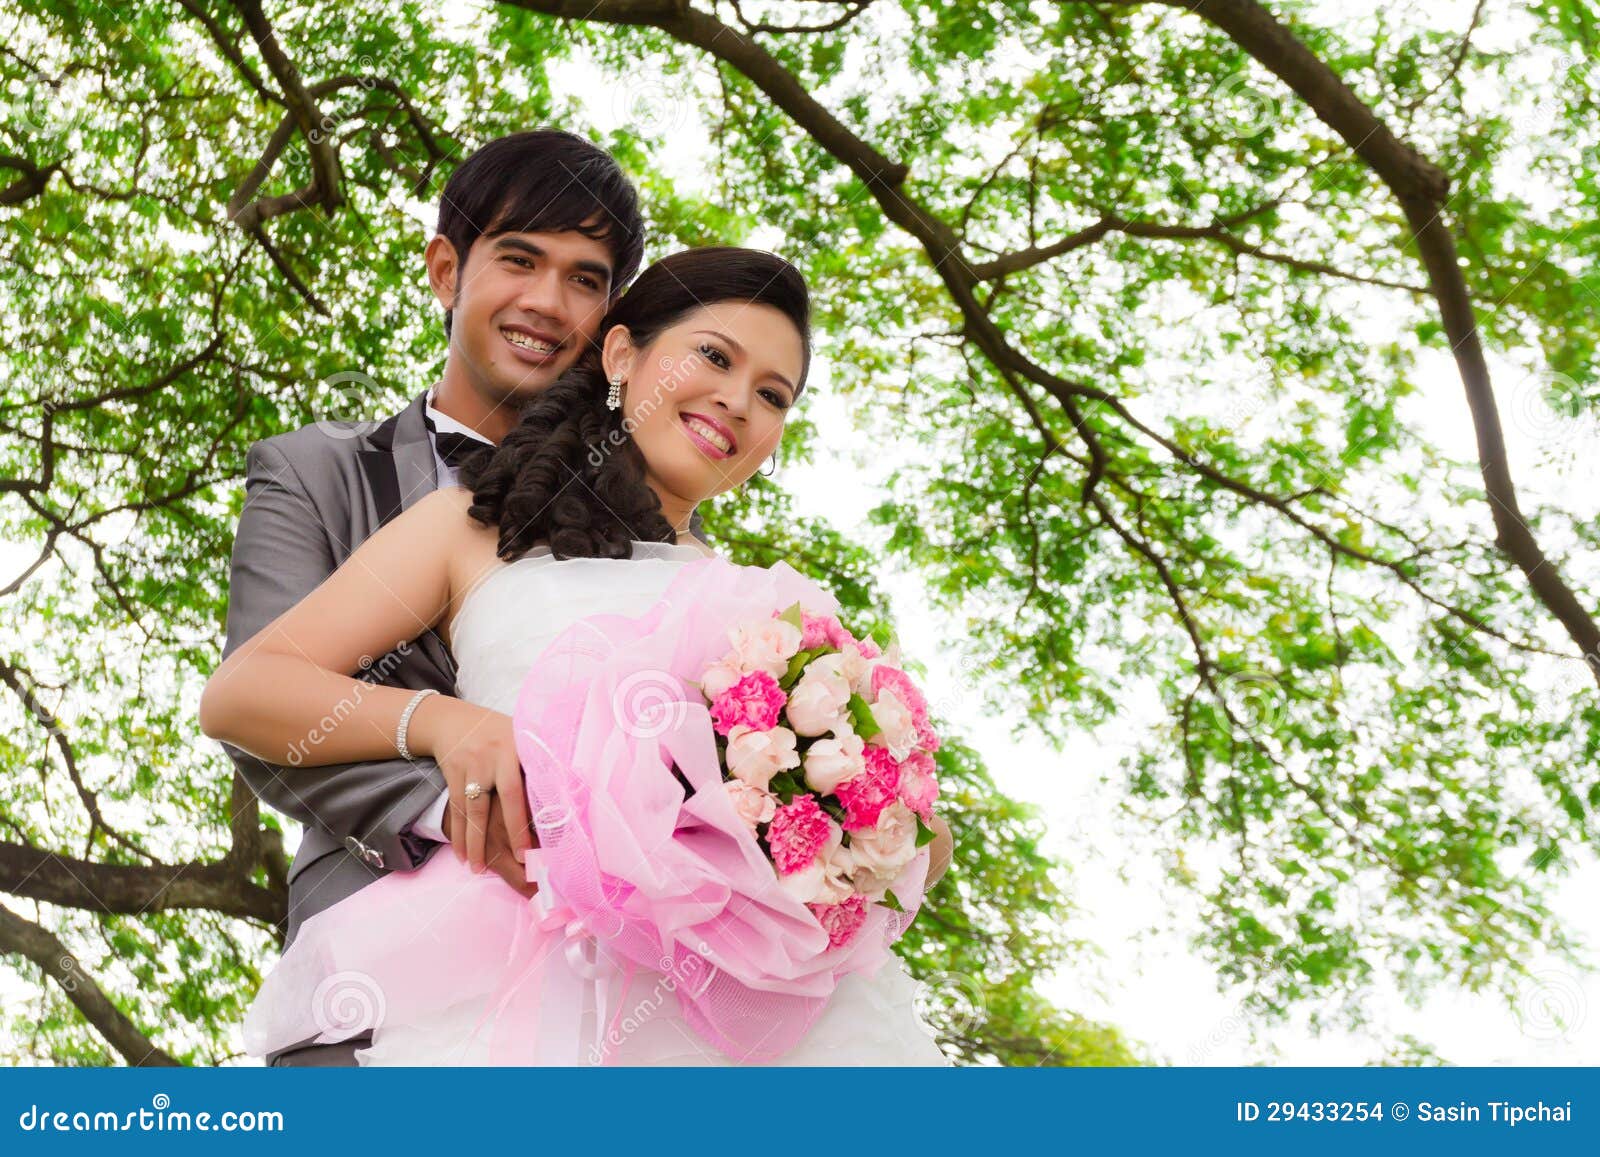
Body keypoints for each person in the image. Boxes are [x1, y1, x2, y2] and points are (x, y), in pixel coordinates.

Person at [202, 247, 954, 1064]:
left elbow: (917, 841)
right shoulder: (473, 530)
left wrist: (870, 829)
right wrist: (441, 722)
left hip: (748, 1015)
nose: (738, 401)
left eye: (773, 395)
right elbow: (244, 693)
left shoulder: (776, 616)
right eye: (714, 356)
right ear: (623, 354)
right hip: (516, 963)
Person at [216, 128, 667, 1066]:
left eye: (586, 279)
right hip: (375, 973)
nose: (548, 302)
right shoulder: (314, 474)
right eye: (520, 259)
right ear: (445, 268)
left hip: (616, 991)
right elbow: (260, 715)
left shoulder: (652, 521)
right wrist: (456, 753)